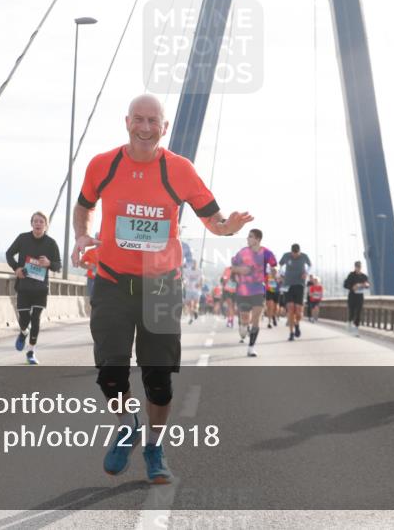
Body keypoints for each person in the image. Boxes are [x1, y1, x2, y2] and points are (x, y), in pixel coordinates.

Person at [72, 94, 251, 484]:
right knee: (110, 373)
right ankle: (127, 424)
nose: (146, 127)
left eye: (154, 120)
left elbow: (212, 217)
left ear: (164, 127)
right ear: (127, 121)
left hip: (161, 288)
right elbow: (83, 204)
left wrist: (229, 226)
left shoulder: (180, 170)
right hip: (112, 282)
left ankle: (154, 446)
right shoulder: (102, 165)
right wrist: (82, 235)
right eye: (139, 119)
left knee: (158, 381)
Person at [5, 211, 62, 365]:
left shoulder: (51, 243)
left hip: (40, 289)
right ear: (32, 224)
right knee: (24, 319)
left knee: (35, 320)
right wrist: (16, 268)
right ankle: (23, 332)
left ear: (46, 225)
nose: (38, 224)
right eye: (35, 221)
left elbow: (58, 265)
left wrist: (49, 263)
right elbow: (9, 254)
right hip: (24, 286)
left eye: (41, 221)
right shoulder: (23, 238)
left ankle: (30, 352)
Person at [230, 229, 277, 357]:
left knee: (256, 319)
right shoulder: (242, 252)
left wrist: (274, 272)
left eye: (250, 237)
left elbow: (274, 265)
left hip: (258, 290)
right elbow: (233, 267)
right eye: (248, 236)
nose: (247, 239)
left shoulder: (266, 253)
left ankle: (251, 347)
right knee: (245, 319)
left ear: (257, 239)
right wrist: (242, 269)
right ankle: (243, 326)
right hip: (243, 291)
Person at [278, 244, 312, 341]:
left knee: (298, 311)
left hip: (299, 285)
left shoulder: (304, 256)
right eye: (293, 254)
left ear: (299, 252)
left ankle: (297, 324)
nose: (295, 256)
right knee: (290, 309)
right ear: (291, 251)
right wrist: (281, 273)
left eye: (296, 254)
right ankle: (291, 332)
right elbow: (280, 264)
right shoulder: (286, 255)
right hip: (288, 285)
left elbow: (310, 265)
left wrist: (306, 273)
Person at [343, 261, 371, 336]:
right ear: (355, 267)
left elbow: (368, 285)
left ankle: (356, 328)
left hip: (360, 296)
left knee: (358, 312)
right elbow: (345, 285)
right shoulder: (351, 275)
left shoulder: (364, 276)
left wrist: (366, 285)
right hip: (352, 296)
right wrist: (352, 287)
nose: (358, 268)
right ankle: (349, 322)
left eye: (359, 266)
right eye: (357, 266)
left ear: (361, 267)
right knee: (352, 312)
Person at [183, 260, 202, 324]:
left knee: (196, 303)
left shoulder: (199, 271)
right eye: (193, 263)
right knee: (189, 305)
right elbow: (184, 279)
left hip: (196, 290)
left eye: (195, 264)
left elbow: (201, 279)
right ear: (191, 264)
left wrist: (200, 284)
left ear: (197, 264)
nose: (194, 265)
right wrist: (185, 284)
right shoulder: (187, 271)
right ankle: (191, 317)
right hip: (189, 290)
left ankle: (195, 311)